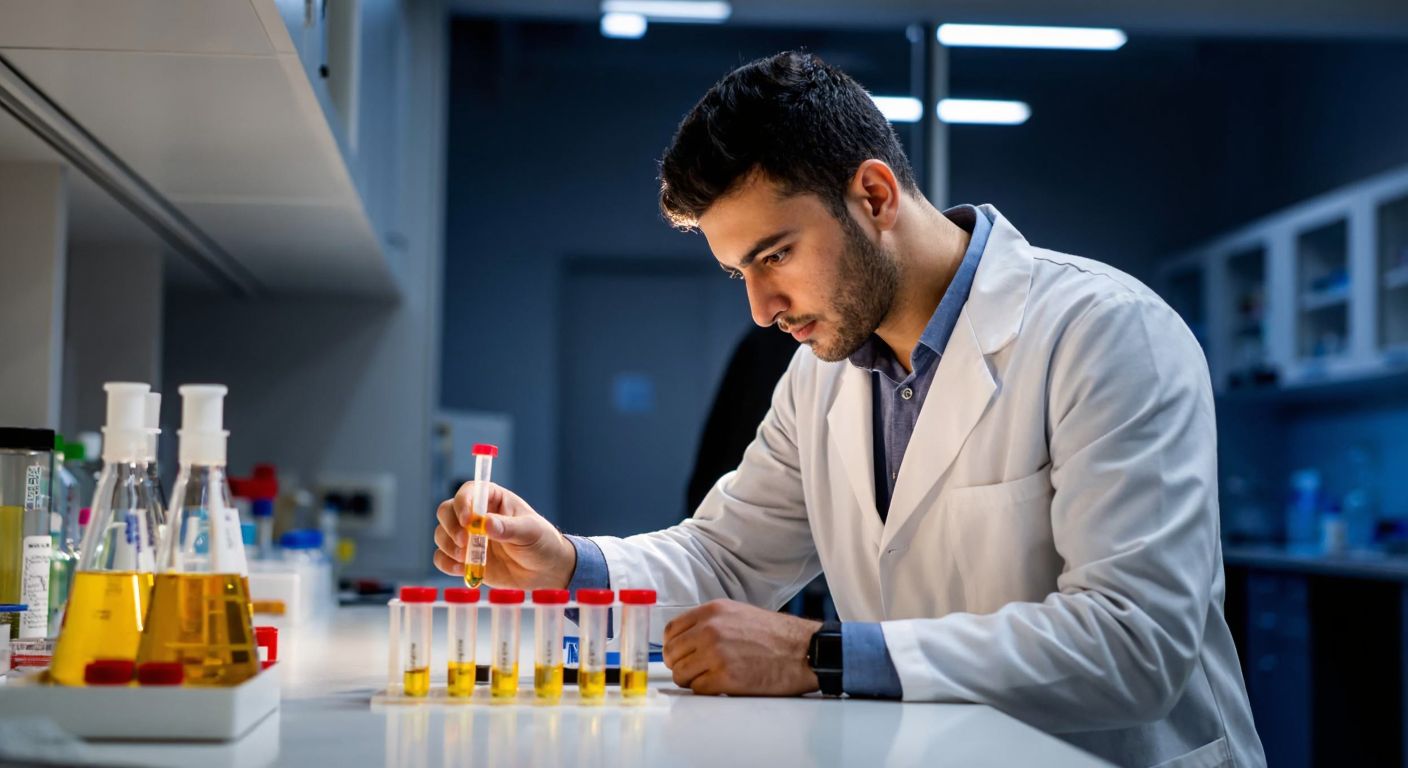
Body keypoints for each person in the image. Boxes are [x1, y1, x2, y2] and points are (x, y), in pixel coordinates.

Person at [434, 51, 1264, 767]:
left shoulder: (1107, 334)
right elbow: (727, 559)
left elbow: (1134, 644)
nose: (761, 309)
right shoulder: (819, 376)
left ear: (872, 194)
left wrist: (821, 656)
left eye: (776, 255)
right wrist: (568, 564)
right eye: (740, 274)